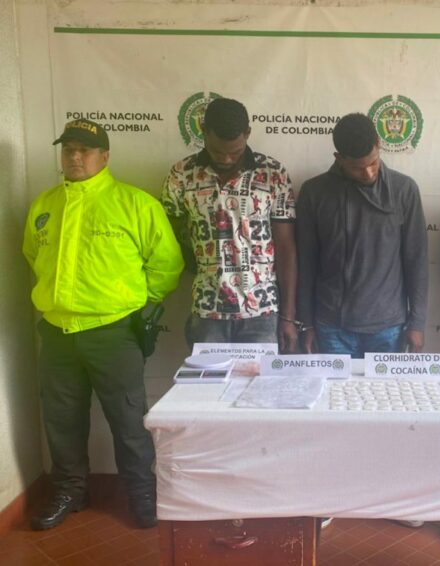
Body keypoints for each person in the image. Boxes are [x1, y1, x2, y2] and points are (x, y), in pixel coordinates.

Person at [22, 119, 184, 530]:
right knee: (61, 419)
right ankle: (69, 490)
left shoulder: (135, 204)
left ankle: (142, 493)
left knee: (129, 420)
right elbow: (32, 257)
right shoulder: (44, 206)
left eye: (85, 150)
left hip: (114, 332)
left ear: (105, 156)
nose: (75, 157)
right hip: (57, 331)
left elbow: (168, 265)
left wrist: (136, 306)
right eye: (68, 150)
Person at [161, 98, 298, 352]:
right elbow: (167, 237)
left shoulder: (272, 173)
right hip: (207, 310)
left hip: (262, 310)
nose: (225, 158)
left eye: (234, 152)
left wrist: (289, 317)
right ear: (203, 130)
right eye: (216, 150)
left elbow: (286, 247)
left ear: (247, 133)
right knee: (208, 389)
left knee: (258, 390)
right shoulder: (182, 174)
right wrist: (198, 267)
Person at [296, 112, 428, 359]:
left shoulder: (404, 190)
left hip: (389, 328)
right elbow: (306, 264)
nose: (368, 173)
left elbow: (416, 260)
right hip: (331, 326)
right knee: (335, 397)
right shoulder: (315, 193)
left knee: (386, 398)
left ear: (379, 144)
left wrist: (417, 322)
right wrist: (306, 323)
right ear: (339, 158)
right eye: (357, 168)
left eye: (373, 163)